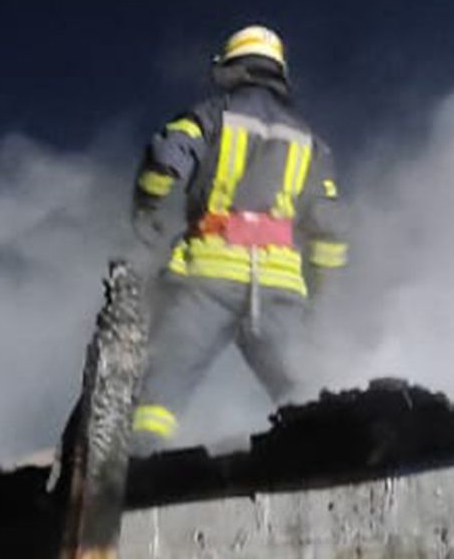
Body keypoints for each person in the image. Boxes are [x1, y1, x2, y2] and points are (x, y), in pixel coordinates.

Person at [128, 24, 347, 454]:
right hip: (280, 284)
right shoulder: (312, 146)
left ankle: (135, 473)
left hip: (208, 276)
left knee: (162, 391)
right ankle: (328, 458)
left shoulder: (209, 116)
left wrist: (147, 211)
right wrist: (320, 295)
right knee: (302, 391)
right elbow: (331, 230)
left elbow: (164, 161)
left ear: (230, 68)